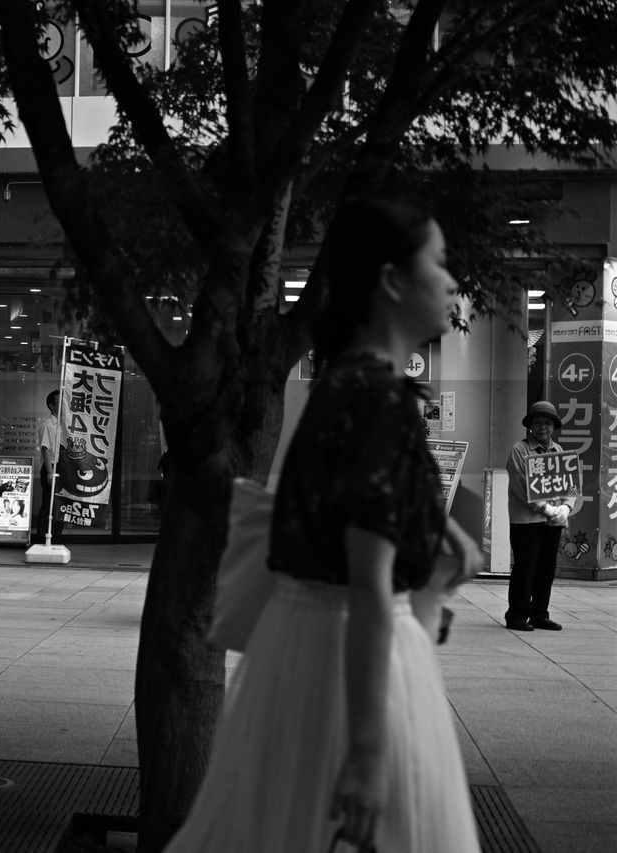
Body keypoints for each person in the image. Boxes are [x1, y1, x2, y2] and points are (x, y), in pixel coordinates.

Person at [166, 197, 482, 852]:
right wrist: (367, 756)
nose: (453, 282)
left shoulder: (343, 386)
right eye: (441, 263)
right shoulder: (378, 398)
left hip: (304, 652)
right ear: (393, 281)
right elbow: (368, 584)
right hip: (356, 663)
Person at [504, 400, 575, 631]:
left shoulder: (560, 452)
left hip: (553, 522)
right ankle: (516, 615)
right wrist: (544, 507)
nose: (542, 427)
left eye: (547, 422)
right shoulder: (519, 450)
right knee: (525, 568)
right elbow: (520, 485)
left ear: (553, 426)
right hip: (527, 521)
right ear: (530, 426)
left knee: (546, 570)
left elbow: (571, 485)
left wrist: (565, 507)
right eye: (538, 422)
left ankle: (540, 614)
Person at [34, 389, 66, 544]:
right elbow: (45, 449)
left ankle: (57, 535)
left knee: (61, 504)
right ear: (51, 406)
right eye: (60, 403)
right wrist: (50, 472)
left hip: (64, 467)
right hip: (52, 466)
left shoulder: (64, 425)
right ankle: (42, 536)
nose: (63, 406)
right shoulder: (47, 425)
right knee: (48, 503)